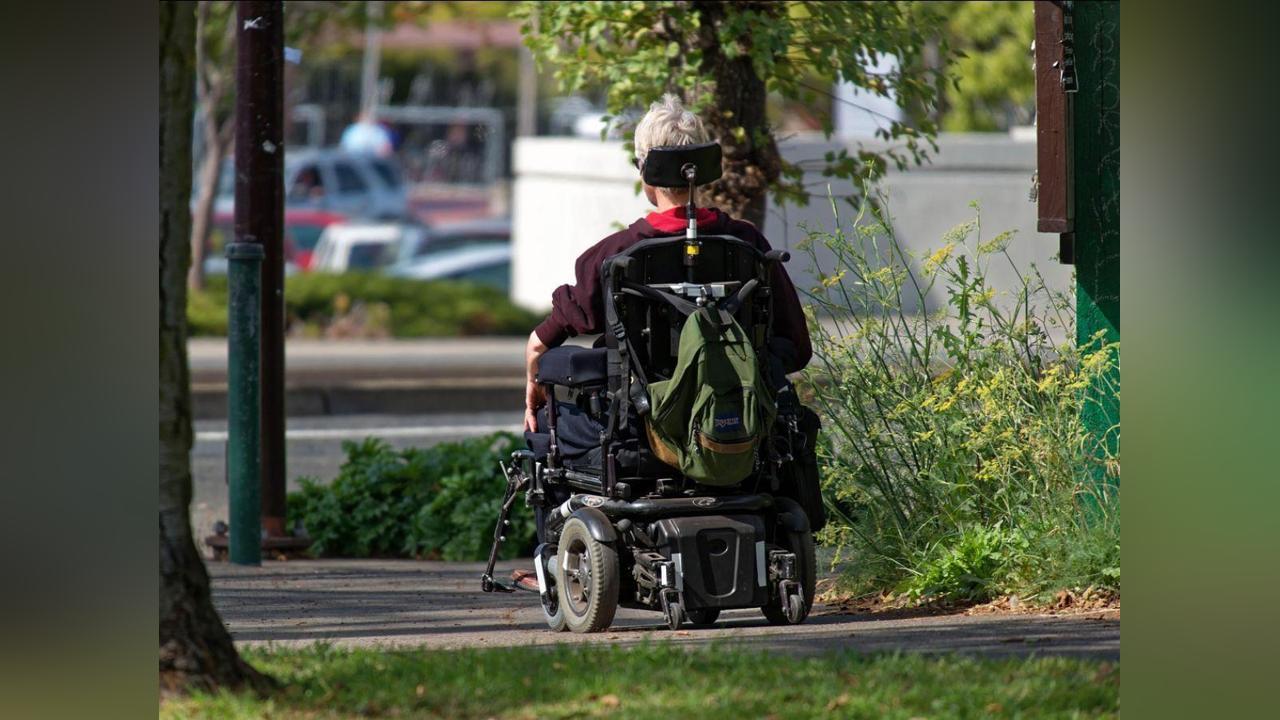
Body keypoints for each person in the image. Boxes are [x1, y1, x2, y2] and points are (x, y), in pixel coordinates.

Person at [510, 94, 813, 592]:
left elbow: (542, 345)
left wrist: (533, 378)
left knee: (547, 421)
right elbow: (795, 347)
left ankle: (549, 562)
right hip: (736, 428)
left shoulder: (614, 256)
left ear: (644, 171)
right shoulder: (749, 248)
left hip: (640, 431)